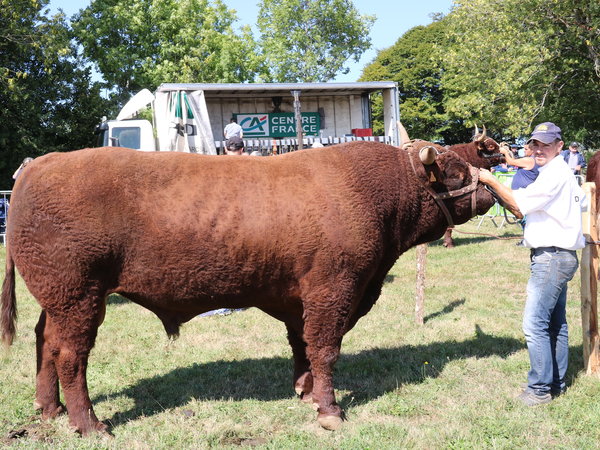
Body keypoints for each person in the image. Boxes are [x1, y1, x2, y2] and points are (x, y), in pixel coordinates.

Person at [478, 122, 585, 407]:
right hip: (559, 255)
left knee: (534, 324)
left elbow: (517, 204)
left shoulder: (553, 175)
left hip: (551, 257)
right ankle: (556, 384)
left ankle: (539, 390)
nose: (538, 149)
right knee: (555, 324)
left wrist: (489, 180)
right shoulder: (556, 171)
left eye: (545, 144)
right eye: (535, 144)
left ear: (560, 146)